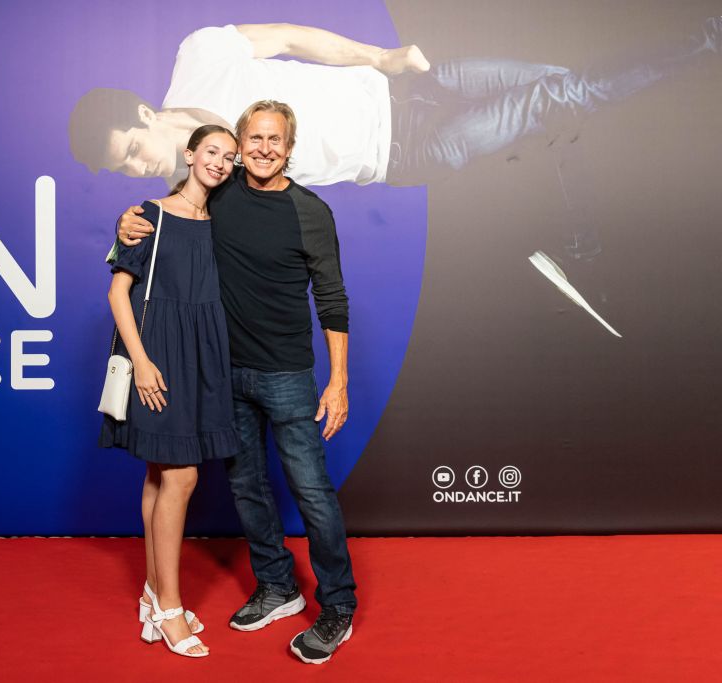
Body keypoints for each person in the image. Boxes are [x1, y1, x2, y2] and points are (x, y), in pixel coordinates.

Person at [114, 101, 357, 665]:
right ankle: (277, 586)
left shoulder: (309, 211)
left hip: (288, 374)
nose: (264, 149)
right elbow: (166, 220)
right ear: (241, 146)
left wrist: (338, 380)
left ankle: (338, 605)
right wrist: (127, 224)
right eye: (255, 139)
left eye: (276, 140)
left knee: (312, 492)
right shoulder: (218, 194)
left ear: (289, 148)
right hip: (222, 373)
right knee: (246, 487)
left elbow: (332, 298)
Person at [71, 20, 721, 190]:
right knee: (565, 93)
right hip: (409, 151)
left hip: (405, 88)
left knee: (567, 85)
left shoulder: (199, 57)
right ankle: (702, 43)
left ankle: (688, 66)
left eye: (132, 150)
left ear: (146, 115)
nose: (137, 167)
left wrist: (379, 57)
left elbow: (292, 38)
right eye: (122, 168)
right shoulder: (199, 189)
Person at [99, 125, 241, 658]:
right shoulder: (148, 215)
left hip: (203, 355)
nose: (220, 162)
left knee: (161, 476)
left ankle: (152, 595)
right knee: (182, 476)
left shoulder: (224, 220)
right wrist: (141, 363)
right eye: (211, 151)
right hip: (158, 355)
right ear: (189, 153)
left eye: (229, 156)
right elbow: (118, 293)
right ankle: (171, 609)